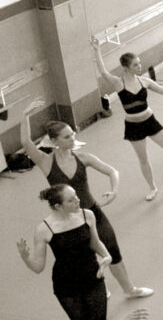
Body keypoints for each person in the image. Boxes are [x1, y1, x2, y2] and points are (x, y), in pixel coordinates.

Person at [21, 101, 153, 299]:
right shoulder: (46, 162)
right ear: (55, 141)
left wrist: (114, 190)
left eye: (73, 134)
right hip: (69, 221)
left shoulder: (83, 157)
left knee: (111, 248)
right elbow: (26, 144)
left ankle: (129, 289)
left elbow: (112, 171)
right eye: (67, 137)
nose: (73, 138)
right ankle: (100, 287)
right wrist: (24, 116)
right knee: (85, 256)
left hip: (92, 211)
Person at [17, 184, 116, 320]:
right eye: (71, 200)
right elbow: (38, 267)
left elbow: (95, 242)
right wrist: (25, 257)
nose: (77, 200)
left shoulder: (87, 215)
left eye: (76, 195)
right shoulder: (44, 229)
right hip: (66, 285)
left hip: (93, 276)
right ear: (57, 207)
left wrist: (107, 256)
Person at [90, 37, 163, 200]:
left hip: (150, 121)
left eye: (139, 63)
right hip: (133, 126)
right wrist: (97, 50)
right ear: (126, 68)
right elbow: (103, 71)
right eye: (135, 65)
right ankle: (152, 188)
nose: (139, 66)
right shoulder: (118, 83)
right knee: (143, 159)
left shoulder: (145, 81)